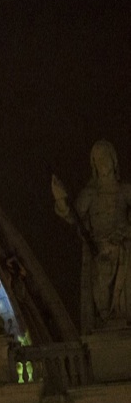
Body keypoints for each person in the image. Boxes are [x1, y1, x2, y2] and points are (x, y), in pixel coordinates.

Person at [52, 140, 131, 330]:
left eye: (105, 157)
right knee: (102, 292)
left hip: (123, 252)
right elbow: (73, 216)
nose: (103, 162)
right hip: (100, 253)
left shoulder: (125, 190)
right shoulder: (90, 194)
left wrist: (126, 230)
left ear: (114, 160)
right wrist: (60, 199)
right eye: (98, 159)